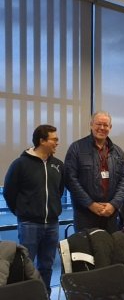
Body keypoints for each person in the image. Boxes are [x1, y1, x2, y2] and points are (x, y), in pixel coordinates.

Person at [3, 124, 65, 289]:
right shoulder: (20, 164)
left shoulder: (58, 165)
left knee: (47, 265)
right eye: (54, 139)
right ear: (42, 140)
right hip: (29, 224)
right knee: (26, 266)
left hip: (52, 224)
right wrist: (21, 212)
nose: (57, 143)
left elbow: (58, 191)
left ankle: (44, 294)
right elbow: (9, 192)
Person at [65, 111, 124, 232]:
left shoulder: (118, 152)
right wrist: (90, 204)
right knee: (86, 250)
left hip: (110, 214)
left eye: (105, 125)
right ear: (91, 125)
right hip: (85, 214)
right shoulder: (77, 148)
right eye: (98, 124)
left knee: (109, 249)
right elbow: (70, 179)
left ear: (110, 127)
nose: (102, 128)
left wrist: (114, 204)